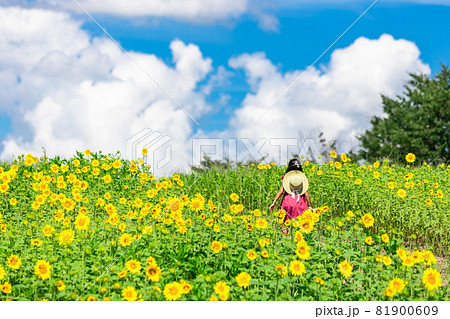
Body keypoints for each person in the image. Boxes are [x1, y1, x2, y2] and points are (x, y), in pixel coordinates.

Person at [269, 159, 312, 233]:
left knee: (285, 223)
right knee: (300, 224)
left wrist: (274, 202)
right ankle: (297, 240)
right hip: (300, 203)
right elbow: (306, 193)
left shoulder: (287, 178)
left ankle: (284, 240)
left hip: (287, 202)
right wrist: (310, 205)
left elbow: (280, 191)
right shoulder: (301, 179)